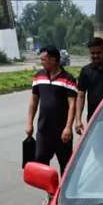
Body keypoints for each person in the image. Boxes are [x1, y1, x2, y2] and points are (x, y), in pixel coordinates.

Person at [26, 46, 77, 176]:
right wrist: (29, 123)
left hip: (62, 133)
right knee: (40, 160)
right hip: (43, 130)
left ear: (54, 60)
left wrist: (68, 127)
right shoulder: (38, 77)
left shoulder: (68, 78)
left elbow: (72, 105)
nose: (41, 62)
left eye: (44, 59)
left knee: (65, 165)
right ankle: (49, 193)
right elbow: (33, 102)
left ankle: (62, 193)